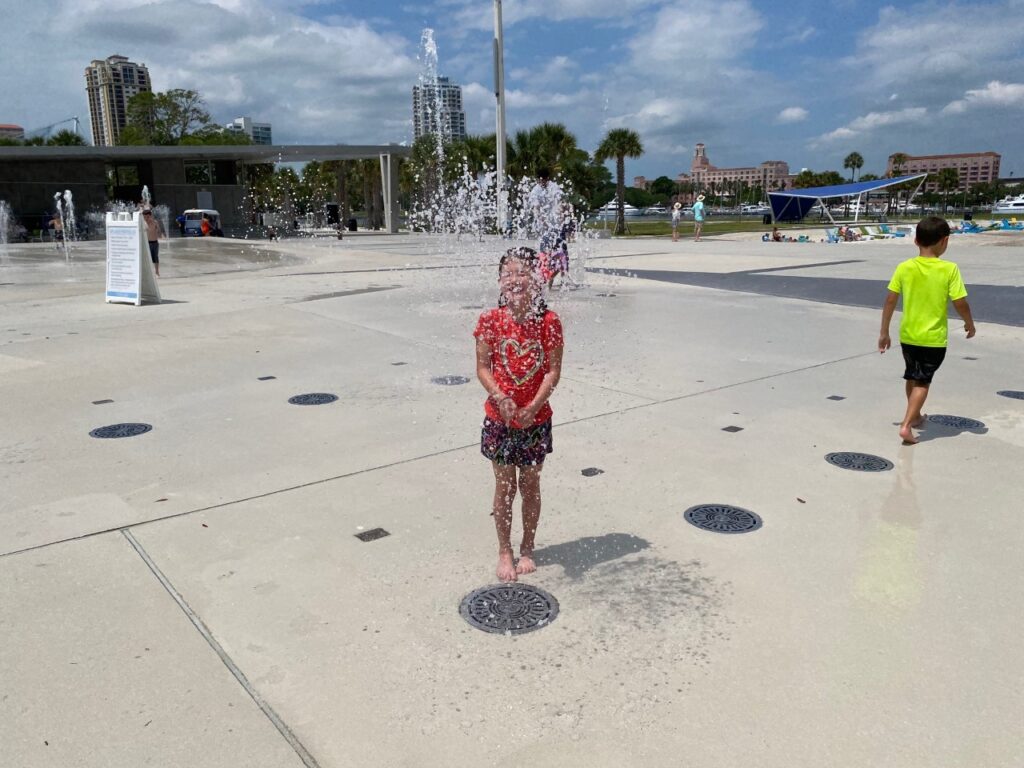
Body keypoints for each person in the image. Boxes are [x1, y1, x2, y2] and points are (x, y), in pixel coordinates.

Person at [474, 247, 564, 582]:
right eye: (508, 273)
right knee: (503, 486)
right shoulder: (490, 320)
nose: (515, 279)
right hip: (499, 419)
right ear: (499, 281)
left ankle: (527, 546)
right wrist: (500, 395)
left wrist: (533, 408)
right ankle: (504, 550)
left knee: (530, 484)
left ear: (537, 280)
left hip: (536, 421)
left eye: (523, 272)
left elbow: (553, 372)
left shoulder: (549, 322)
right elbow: (483, 367)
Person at [878, 216, 976, 444]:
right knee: (923, 382)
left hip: (909, 336)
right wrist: (969, 323)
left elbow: (890, 300)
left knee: (912, 375)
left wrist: (884, 332)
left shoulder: (904, 267)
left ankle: (915, 416)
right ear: (945, 241)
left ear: (915, 241)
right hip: (932, 339)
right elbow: (960, 301)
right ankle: (905, 425)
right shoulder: (949, 269)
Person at [527, 167, 563, 250]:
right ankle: (545, 260)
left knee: (558, 245)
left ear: (548, 178)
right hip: (542, 224)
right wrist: (544, 222)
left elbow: (559, 204)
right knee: (545, 242)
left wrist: (561, 218)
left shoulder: (554, 187)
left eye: (544, 179)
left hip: (555, 221)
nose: (542, 181)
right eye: (541, 179)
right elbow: (536, 209)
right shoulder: (535, 190)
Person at [141, 208, 163, 277]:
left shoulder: (155, 222)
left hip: (155, 242)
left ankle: (157, 272)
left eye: (147, 217)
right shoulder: (143, 223)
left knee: (156, 257)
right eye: (144, 217)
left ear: (150, 216)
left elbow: (159, 231)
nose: (146, 218)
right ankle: (149, 273)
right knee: (148, 258)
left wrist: (160, 233)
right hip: (147, 243)